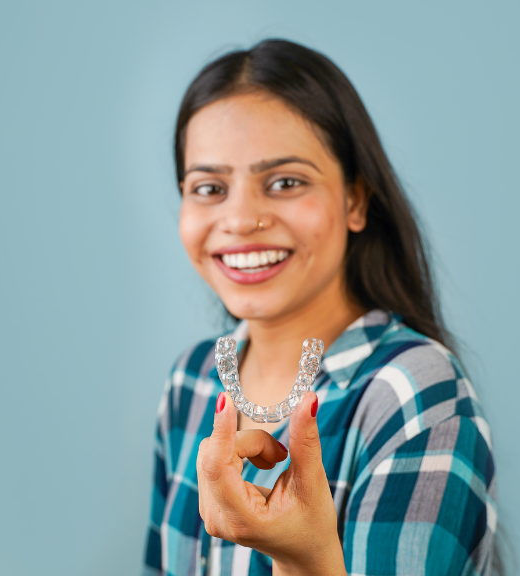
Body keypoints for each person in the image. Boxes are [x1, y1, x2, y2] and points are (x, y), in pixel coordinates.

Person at [144, 39, 498, 576]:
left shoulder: (411, 394)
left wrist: (305, 561)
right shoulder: (190, 383)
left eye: (285, 182)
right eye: (209, 187)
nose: (241, 219)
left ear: (355, 199)